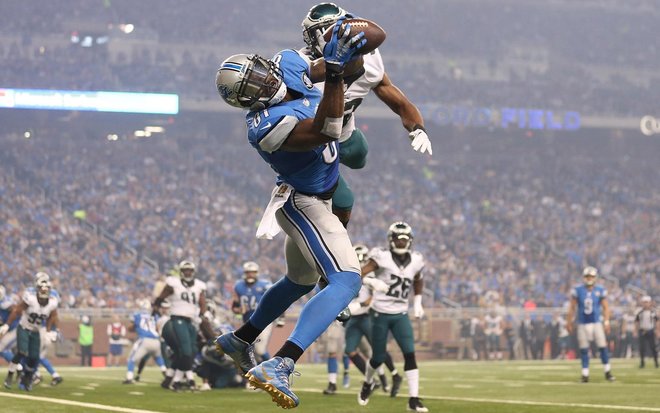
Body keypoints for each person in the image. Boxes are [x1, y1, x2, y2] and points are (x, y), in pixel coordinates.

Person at [213, 19, 367, 409]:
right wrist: (334, 74)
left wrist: (345, 50)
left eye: (259, 70)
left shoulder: (287, 64)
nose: (265, 79)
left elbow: (357, 62)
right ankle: (282, 361)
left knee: (300, 281)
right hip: (305, 203)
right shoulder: (266, 127)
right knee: (347, 280)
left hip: (310, 198)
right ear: (247, 101)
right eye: (253, 84)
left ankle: (240, 338)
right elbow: (329, 128)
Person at [300, 2, 432, 227]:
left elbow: (398, 101)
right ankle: (330, 242)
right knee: (343, 201)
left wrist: (417, 127)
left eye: (341, 28)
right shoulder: (304, 70)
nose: (341, 35)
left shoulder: (370, 62)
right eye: (332, 31)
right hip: (317, 142)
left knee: (359, 154)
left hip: (345, 131)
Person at [356, 222, 428, 412]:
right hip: (380, 313)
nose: (402, 242)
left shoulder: (417, 260)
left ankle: (414, 399)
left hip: (401, 314)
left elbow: (418, 278)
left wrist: (418, 301)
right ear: (391, 239)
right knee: (378, 358)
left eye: (405, 239)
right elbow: (358, 273)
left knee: (410, 353)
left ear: (410, 241)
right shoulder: (382, 257)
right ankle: (368, 382)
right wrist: (371, 281)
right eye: (398, 238)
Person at [343, 244, 402, 396]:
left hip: (367, 316)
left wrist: (363, 304)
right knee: (350, 350)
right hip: (354, 319)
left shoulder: (371, 275)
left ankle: (395, 374)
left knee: (378, 348)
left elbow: (375, 296)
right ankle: (372, 380)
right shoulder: (349, 273)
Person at [152, 260, 210, 391]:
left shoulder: (199, 286)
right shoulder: (174, 283)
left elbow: (202, 301)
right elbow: (162, 295)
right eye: (185, 270)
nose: (188, 272)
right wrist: (156, 305)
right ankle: (182, 381)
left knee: (191, 351)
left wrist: (204, 313)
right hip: (177, 318)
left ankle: (171, 379)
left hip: (191, 320)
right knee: (186, 351)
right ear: (181, 271)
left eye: (190, 270)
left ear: (193, 272)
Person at [1, 276, 59, 391]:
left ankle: (27, 379)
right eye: (42, 290)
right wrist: (7, 324)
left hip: (36, 331)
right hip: (23, 328)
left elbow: (53, 316)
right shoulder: (31, 299)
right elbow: (17, 310)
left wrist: (51, 331)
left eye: (46, 290)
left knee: (34, 358)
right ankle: (10, 374)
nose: (44, 292)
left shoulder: (52, 302)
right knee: (22, 352)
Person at [566, 266, 615, 383]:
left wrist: (607, 321)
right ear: (584, 277)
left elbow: (606, 307)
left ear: (595, 277)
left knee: (602, 347)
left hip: (596, 322)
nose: (589, 278)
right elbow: (572, 307)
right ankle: (585, 374)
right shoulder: (578, 290)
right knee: (583, 349)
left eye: (591, 276)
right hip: (582, 323)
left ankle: (607, 372)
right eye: (587, 276)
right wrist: (569, 321)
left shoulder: (600, 290)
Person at [231, 261, 274, 362]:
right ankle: (257, 373)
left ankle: (272, 368)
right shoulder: (239, 286)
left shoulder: (265, 285)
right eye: (248, 272)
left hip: (264, 321)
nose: (250, 274)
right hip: (248, 322)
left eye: (253, 272)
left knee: (259, 350)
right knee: (249, 351)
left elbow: (275, 300)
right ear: (244, 273)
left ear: (257, 273)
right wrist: (239, 310)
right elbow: (235, 307)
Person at [123, 302, 167, 384]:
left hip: (144, 340)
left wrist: (133, 328)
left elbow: (131, 327)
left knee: (131, 359)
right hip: (156, 340)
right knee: (158, 358)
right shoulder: (154, 315)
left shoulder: (137, 314)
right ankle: (165, 372)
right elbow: (157, 328)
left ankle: (129, 377)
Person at [635, 295, 658, 368]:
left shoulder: (653, 312)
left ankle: (656, 362)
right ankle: (642, 363)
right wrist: (636, 330)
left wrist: (657, 330)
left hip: (650, 331)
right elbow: (637, 322)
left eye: (647, 302)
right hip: (642, 331)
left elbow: (657, 321)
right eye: (644, 302)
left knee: (653, 347)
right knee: (642, 348)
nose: (645, 304)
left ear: (650, 303)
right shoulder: (640, 312)